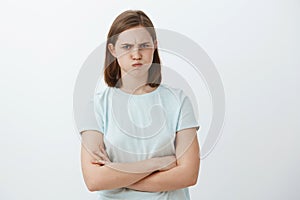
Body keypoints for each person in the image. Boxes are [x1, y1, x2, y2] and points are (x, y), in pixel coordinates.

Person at [80, 10, 200, 200]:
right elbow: (94, 180)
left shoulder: (178, 101)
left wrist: (116, 176)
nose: (136, 54)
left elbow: (188, 174)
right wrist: (156, 164)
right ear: (113, 50)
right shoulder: (96, 107)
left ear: (154, 46)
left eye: (144, 45)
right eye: (127, 46)